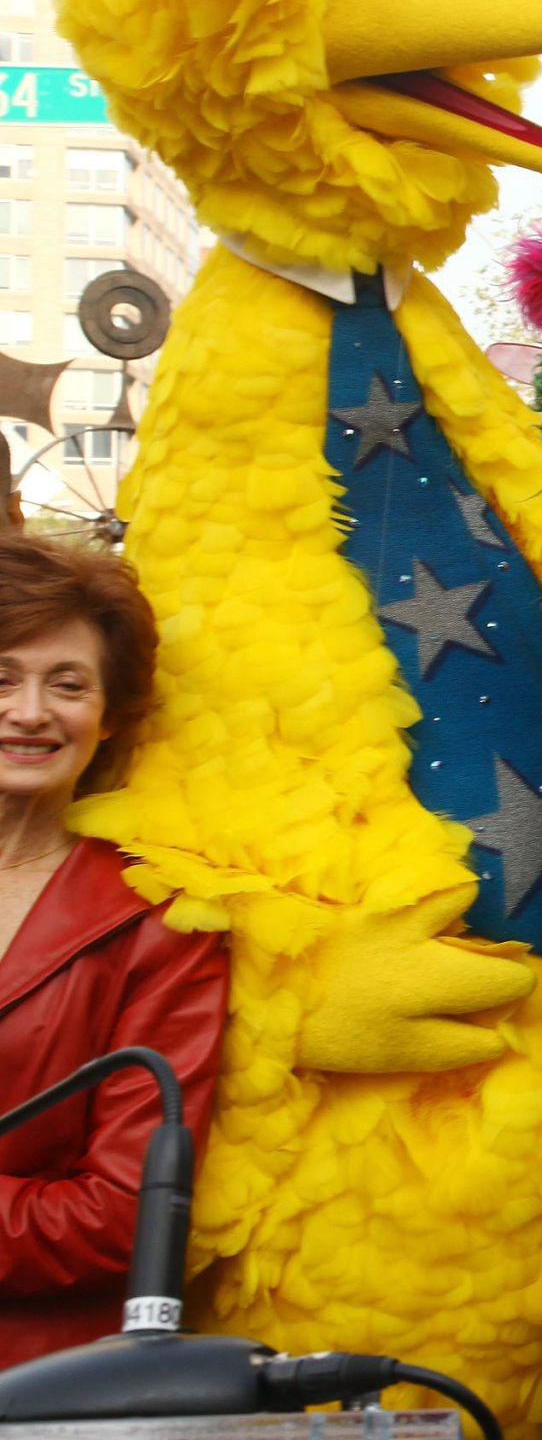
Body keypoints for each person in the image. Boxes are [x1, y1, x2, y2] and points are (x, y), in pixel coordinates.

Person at [0, 532, 225, 1369]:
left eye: (67, 684)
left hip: (36, 1384)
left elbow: (122, 1212)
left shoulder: (158, 920)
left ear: (108, 715)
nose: (30, 711)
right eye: (2, 677)